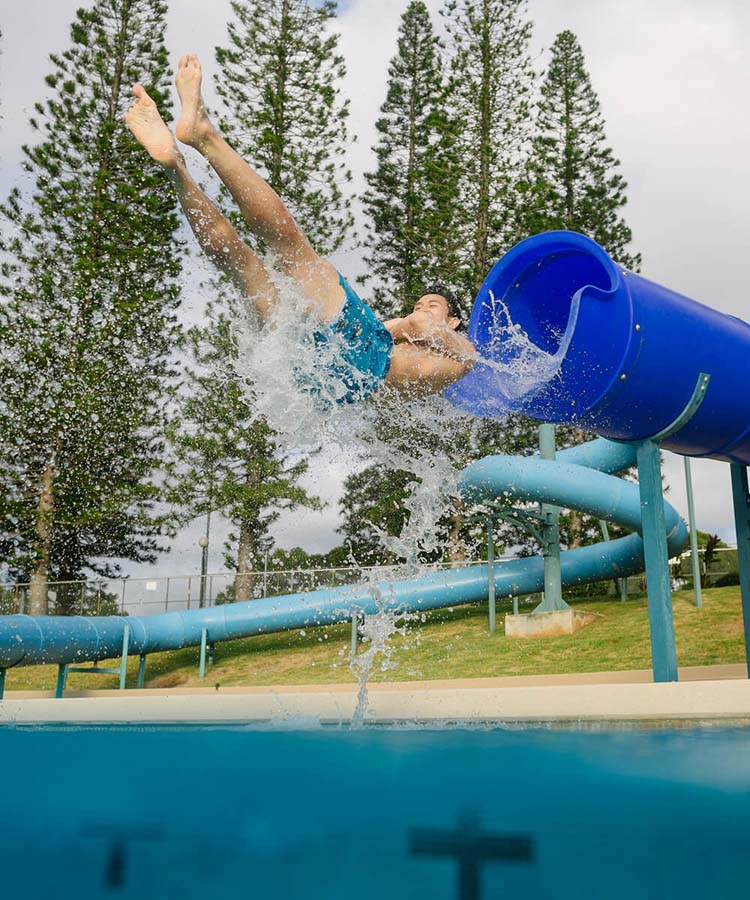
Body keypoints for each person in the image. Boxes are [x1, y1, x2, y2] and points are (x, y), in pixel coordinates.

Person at [125, 55, 477, 403]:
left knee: (291, 248)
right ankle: (176, 168)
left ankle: (204, 137)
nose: (420, 308)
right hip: (311, 374)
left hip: (358, 352)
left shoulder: (464, 355)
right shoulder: (433, 364)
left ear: (455, 320)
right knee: (241, 266)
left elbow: (418, 326)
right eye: (420, 303)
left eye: (432, 304)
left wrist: (405, 322)